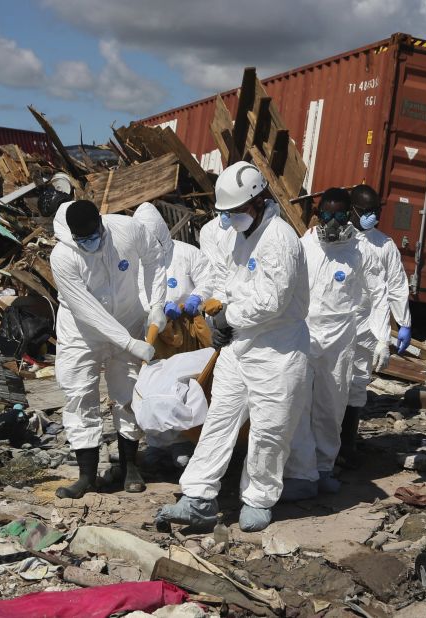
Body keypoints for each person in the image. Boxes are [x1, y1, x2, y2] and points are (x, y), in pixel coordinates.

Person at [156, 161, 310, 532]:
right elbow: (226, 280)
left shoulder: (280, 239)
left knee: (269, 431)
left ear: (258, 202)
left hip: (278, 351)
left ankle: (258, 498)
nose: (230, 220)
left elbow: (271, 301)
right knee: (219, 420)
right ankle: (198, 497)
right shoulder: (239, 235)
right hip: (241, 348)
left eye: (236, 213)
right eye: (226, 214)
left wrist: (230, 318)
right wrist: (217, 317)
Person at [49, 200, 168, 499]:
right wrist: (128, 343)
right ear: (73, 236)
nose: (91, 243)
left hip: (127, 318)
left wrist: (157, 305)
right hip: (82, 331)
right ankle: (87, 476)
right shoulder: (62, 256)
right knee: (80, 395)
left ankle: (129, 466)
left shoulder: (126, 229)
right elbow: (86, 308)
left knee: (128, 391)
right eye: (83, 240)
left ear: (102, 225)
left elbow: (154, 257)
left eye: (95, 236)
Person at [282, 188, 389, 500]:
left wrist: (383, 337)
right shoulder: (304, 247)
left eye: (339, 216)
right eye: (325, 215)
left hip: (341, 335)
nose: (331, 222)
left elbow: (379, 292)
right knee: (298, 403)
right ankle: (298, 471)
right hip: (305, 333)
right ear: (318, 215)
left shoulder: (360, 252)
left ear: (349, 216)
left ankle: (324, 467)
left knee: (332, 404)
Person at [132, 202, 215, 468]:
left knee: (188, 385)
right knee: (155, 384)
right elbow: (137, 295)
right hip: (157, 334)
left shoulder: (186, 253)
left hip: (189, 333)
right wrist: (155, 309)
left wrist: (195, 298)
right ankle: (158, 443)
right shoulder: (138, 263)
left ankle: (186, 441)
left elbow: (209, 279)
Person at [340, 184, 413, 465]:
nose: (372, 217)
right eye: (366, 211)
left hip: (366, 327)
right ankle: (321, 448)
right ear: (352, 210)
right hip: (333, 323)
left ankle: (346, 446)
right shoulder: (338, 240)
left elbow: (396, 285)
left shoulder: (384, 245)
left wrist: (403, 322)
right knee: (325, 385)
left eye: (376, 211)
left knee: (357, 384)